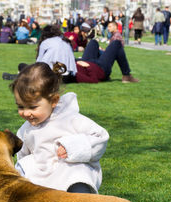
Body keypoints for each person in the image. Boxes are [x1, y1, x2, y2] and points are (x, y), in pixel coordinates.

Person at [10, 62, 109, 193]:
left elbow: (100, 136)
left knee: (78, 174)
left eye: (33, 107)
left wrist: (73, 147)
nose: (26, 113)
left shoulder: (70, 119)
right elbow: (22, 156)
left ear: (54, 101)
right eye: (21, 107)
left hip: (67, 170)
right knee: (24, 169)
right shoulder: (25, 130)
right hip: (42, 173)